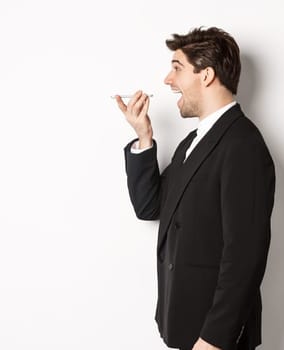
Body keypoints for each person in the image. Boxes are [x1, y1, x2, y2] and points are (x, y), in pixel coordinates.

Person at [115, 27, 275, 350]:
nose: (167, 80)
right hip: (187, 327)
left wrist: (214, 339)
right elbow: (151, 206)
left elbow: (245, 258)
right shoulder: (193, 142)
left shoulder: (243, 145)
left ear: (206, 75)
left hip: (215, 339)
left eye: (177, 68)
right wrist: (144, 137)